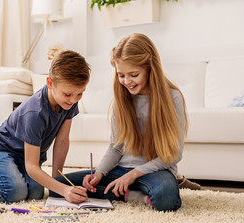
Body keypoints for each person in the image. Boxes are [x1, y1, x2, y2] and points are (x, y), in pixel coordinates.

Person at [50, 33, 188, 211]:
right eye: (121, 75)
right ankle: (134, 195)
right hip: (120, 169)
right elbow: (116, 147)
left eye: (133, 74)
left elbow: (174, 154)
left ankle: (129, 191)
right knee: (58, 187)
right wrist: (99, 173)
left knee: (166, 199)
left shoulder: (172, 98)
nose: (127, 81)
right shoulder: (120, 101)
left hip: (156, 171)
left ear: (150, 68)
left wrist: (132, 175)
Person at [0, 50, 90, 204]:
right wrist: (64, 189)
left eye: (80, 94)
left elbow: (62, 141)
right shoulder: (35, 112)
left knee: (36, 194)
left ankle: (13, 175)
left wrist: (58, 182)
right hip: (2, 151)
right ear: (49, 83)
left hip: (27, 156)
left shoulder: (69, 103)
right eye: (68, 94)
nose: (73, 100)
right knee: (15, 193)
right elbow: (31, 166)